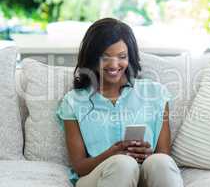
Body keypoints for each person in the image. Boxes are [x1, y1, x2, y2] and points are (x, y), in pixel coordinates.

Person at [55, 18, 184, 187]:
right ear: (92, 57)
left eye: (121, 56)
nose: (114, 64)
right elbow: (79, 167)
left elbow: (164, 155)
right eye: (105, 57)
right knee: (123, 164)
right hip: (97, 177)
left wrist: (148, 155)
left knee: (161, 162)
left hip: (144, 175)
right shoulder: (73, 102)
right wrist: (110, 155)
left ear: (130, 57)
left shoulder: (156, 94)